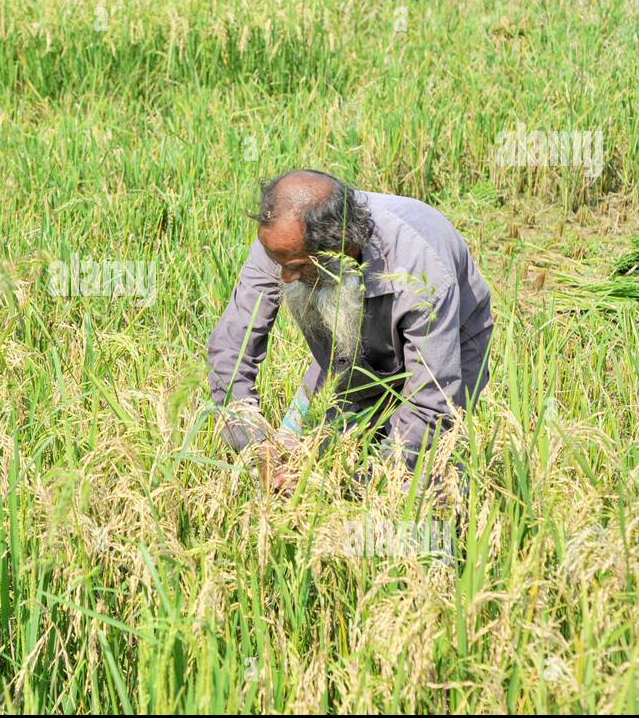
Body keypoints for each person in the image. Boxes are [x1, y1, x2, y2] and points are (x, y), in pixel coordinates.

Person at [207, 170, 494, 493]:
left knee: (416, 476)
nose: (285, 277)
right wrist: (255, 444)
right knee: (298, 460)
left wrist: (356, 480)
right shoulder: (283, 242)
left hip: (451, 340)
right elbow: (232, 345)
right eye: (279, 263)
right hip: (348, 356)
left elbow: (431, 402)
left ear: (342, 244)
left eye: (299, 266)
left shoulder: (420, 270)